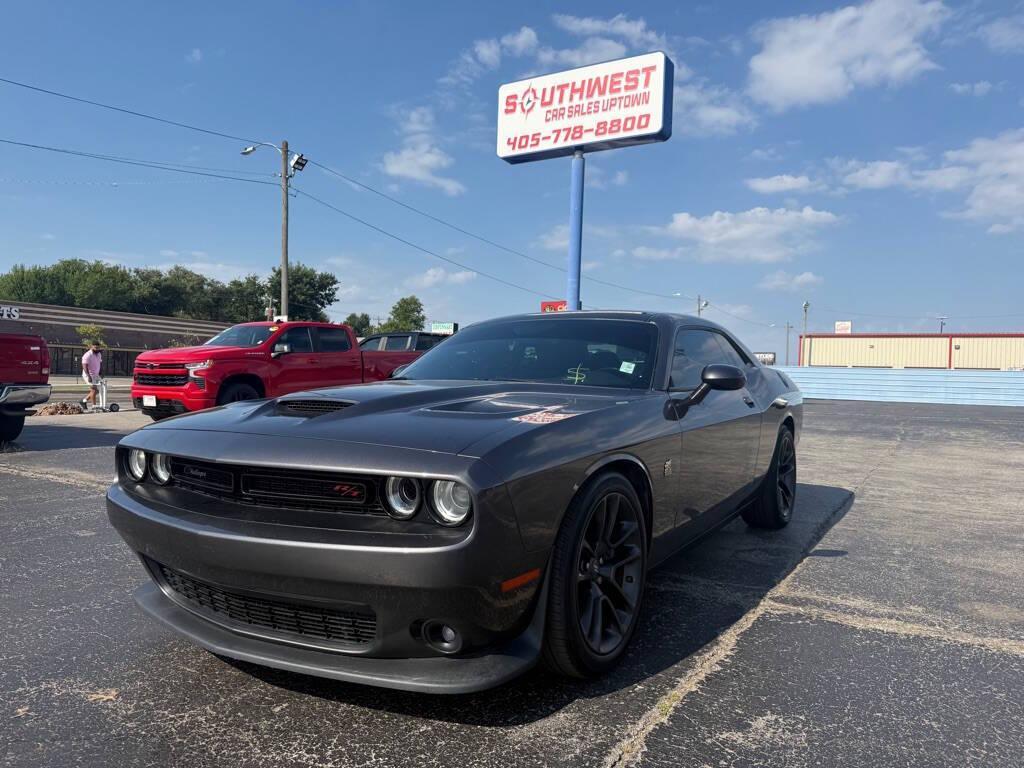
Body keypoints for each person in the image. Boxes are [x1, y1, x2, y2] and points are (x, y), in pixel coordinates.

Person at [81, 342, 102, 410]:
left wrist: (101, 371)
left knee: (97, 391)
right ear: (91, 347)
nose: (97, 349)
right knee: (93, 390)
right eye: (95, 347)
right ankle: (94, 406)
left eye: (98, 348)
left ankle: (83, 401)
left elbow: (100, 363)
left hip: (96, 375)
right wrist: (88, 376)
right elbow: (84, 366)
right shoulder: (87, 355)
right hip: (88, 375)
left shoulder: (99, 354)